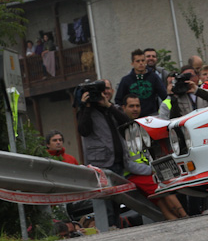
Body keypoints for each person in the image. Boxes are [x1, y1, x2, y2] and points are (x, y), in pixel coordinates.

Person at [119, 94, 188, 221]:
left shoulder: (140, 125)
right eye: (131, 106)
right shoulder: (121, 131)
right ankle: (184, 217)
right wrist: (152, 170)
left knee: (161, 198)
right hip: (135, 175)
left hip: (146, 172)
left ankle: (177, 220)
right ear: (123, 108)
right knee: (164, 188)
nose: (135, 109)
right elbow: (127, 164)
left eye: (137, 106)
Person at [77, 78, 132, 228]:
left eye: (106, 89)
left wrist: (108, 106)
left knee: (117, 200)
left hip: (118, 162)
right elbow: (84, 130)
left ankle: (116, 227)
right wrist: (86, 106)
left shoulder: (113, 108)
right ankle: (108, 228)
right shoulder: (85, 110)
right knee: (105, 201)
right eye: (102, 90)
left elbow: (127, 124)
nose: (104, 92)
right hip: (100, 163)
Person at [115, 49, 168, 116]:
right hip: (133, 117)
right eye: (138, 61)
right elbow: (118, 101)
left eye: (143, 60)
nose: (141, 63)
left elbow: (165, 96)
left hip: (151, 116)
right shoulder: (126, 80)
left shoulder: (154, 77)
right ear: (132, 63)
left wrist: (166, 111)